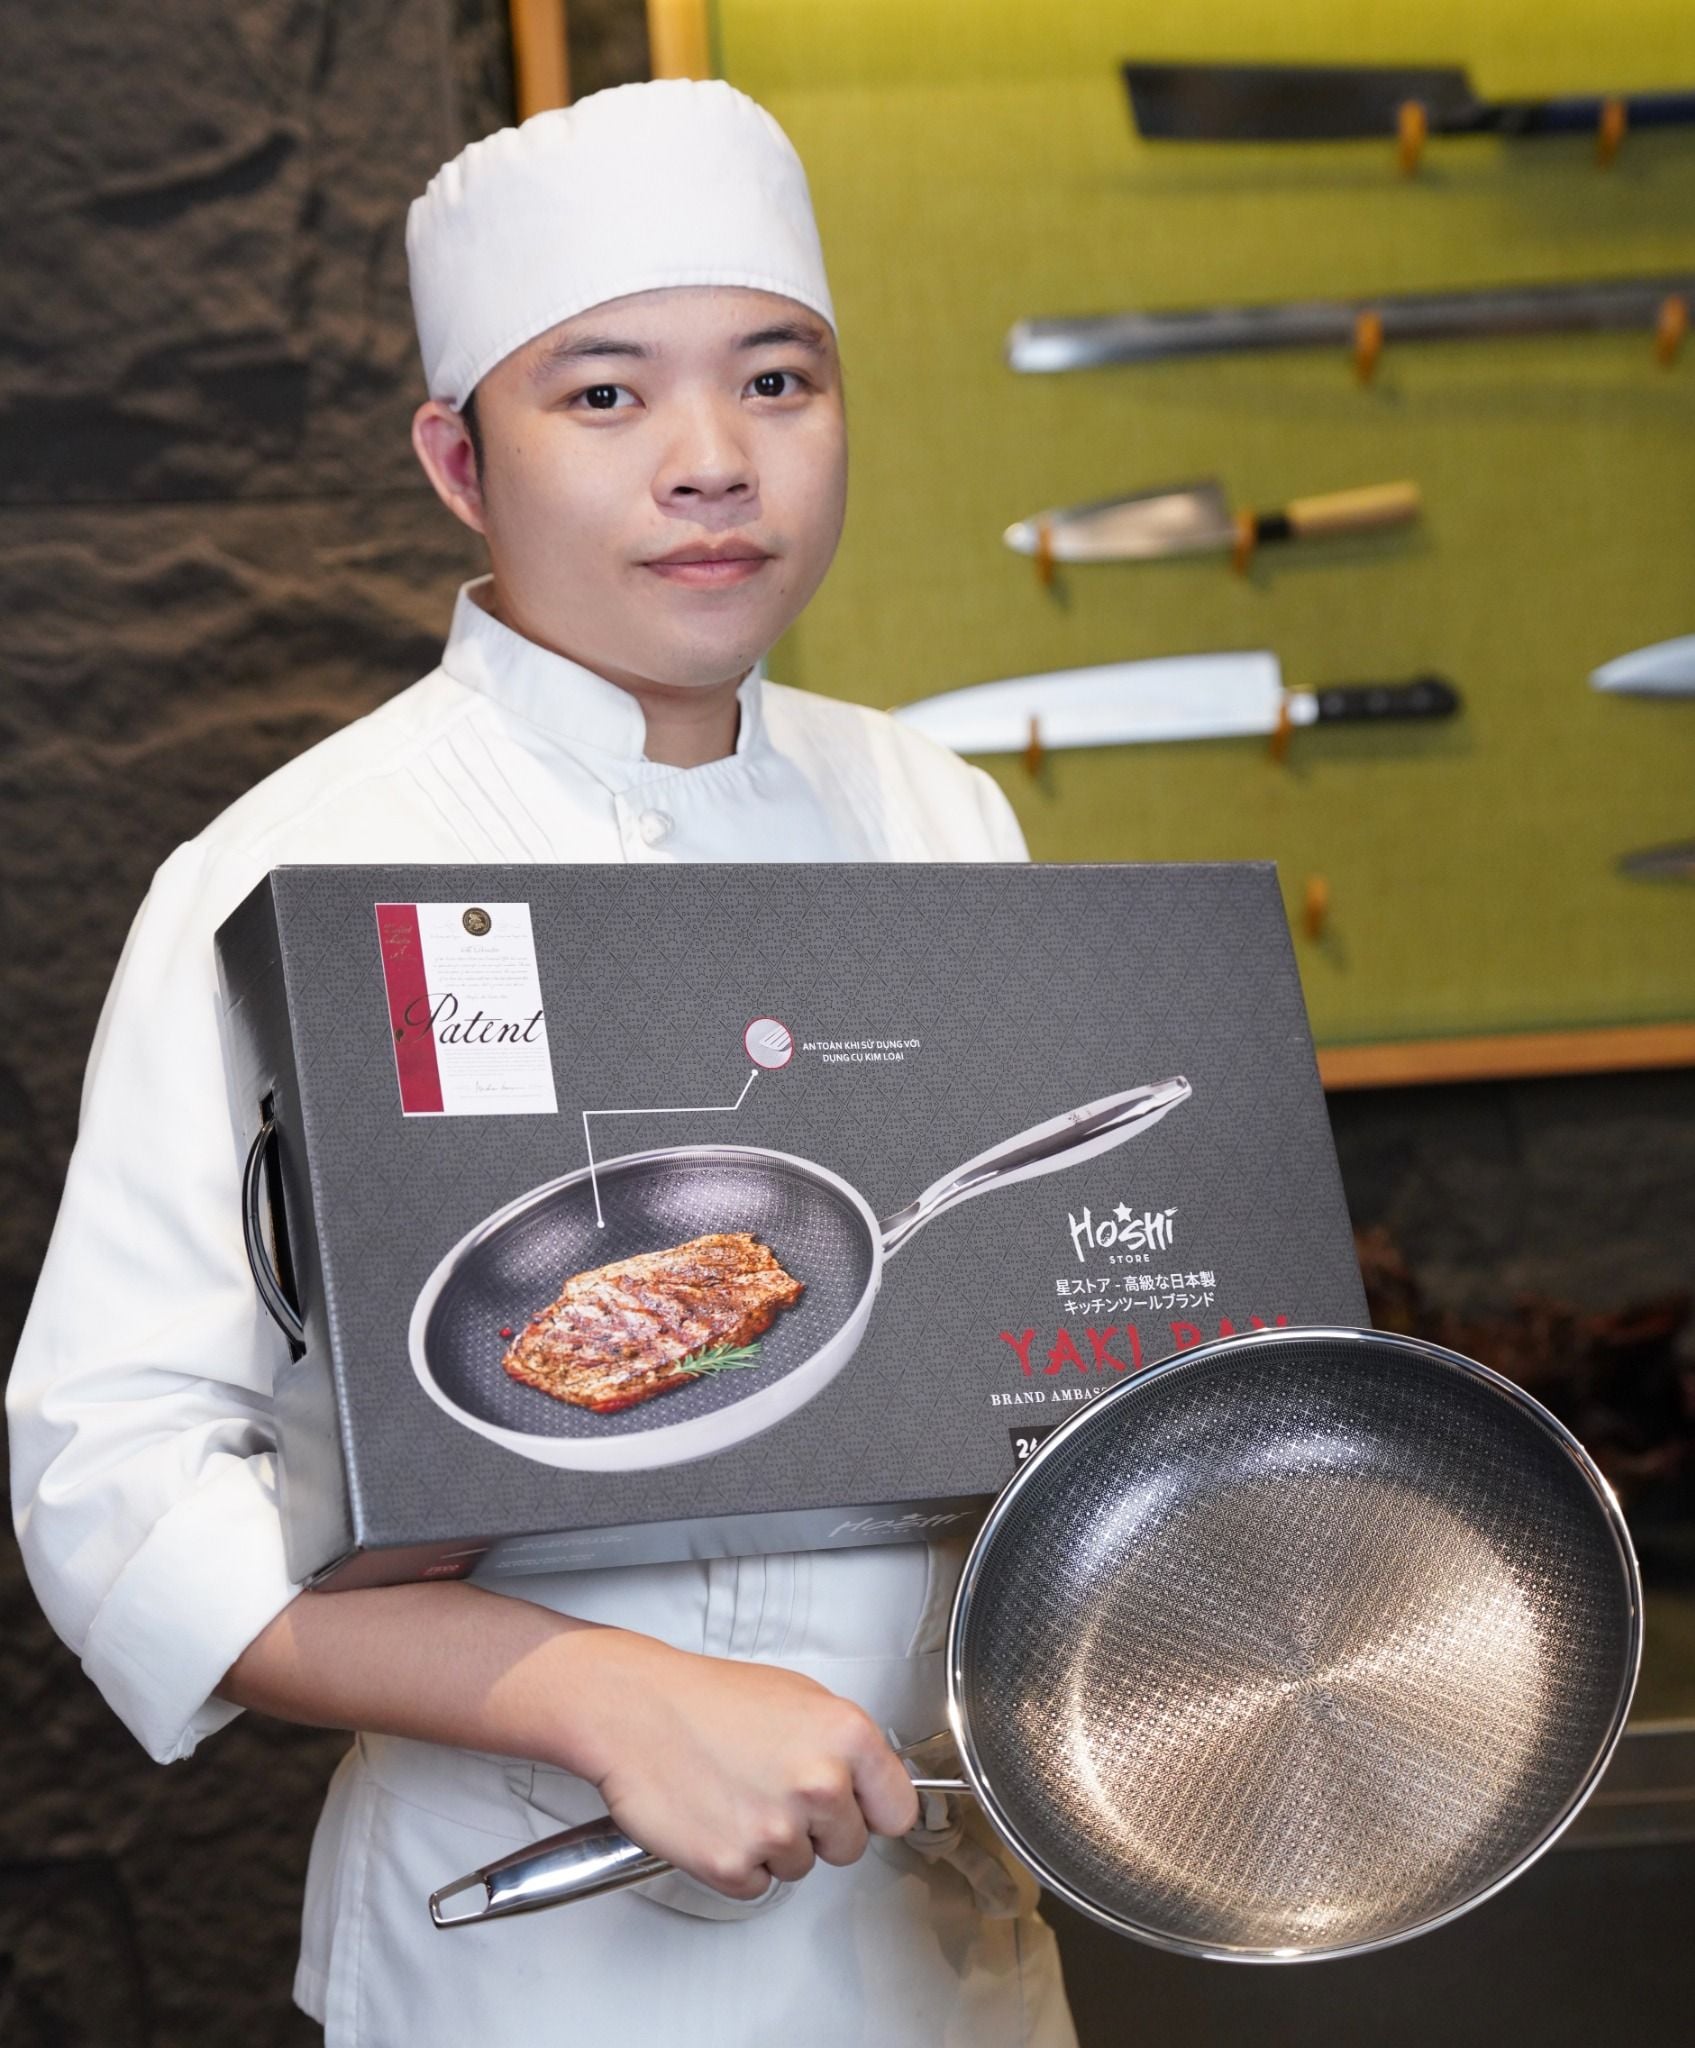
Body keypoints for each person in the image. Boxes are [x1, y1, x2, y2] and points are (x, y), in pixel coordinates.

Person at [8, 79, 1077, 2046]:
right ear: (457, 459)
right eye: (603, 395)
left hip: (941, 1935)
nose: (710, 461)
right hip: (528, 1957)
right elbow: (117, 1484)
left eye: (776, 380)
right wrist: (603, 1692)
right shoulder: (295, 866)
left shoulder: (939, 812)